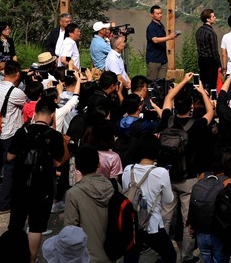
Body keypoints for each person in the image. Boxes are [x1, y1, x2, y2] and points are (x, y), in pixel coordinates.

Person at [160, 74, 214, 263]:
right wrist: (202, 92)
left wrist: (183, 81)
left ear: (176, 106)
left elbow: (167, 98)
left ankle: (164, 253)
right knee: (187, 219)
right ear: (191, 106)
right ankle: (187, 255)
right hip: (189, 177)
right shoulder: (197, 125)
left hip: (167, 175)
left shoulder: (167, 119)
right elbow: (210, 112)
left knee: (165, 216)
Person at [7, 97, 65, 262]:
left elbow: (10, 156)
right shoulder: (54, 135)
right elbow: (58, 161)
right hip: (43, 184)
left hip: (20, 182)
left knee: (16, 223)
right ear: (52, 115)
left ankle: (14, 256)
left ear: (35, 113)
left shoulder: (22, 131)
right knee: (36, 226)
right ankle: (32, 259)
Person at [122, 133, 176, 263]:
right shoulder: (161, 172)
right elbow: (169, 200)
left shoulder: (128, 169)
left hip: (132, 222)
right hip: (152, 224)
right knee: (170, 255)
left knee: (131, 256)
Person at [0, 60, 27, 213]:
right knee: (9, 168)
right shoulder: (17, 93)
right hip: (10, 134)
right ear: (17, 75)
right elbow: (27, 104)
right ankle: (4, 204)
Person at [64, 145, 115, 262]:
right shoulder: (114, 187)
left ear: (77, 167)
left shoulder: (73, 193)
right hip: (112, 253)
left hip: (86, 256)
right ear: (98, 164)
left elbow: (70, 230)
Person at [145, 5, 180, 81]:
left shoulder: (161, 25)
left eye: (160, 13)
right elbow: (155, 40)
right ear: (152, 14)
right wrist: (170, 37)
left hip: (163, 59)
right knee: (152, 82)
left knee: (162, 82)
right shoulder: (151, 27)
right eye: (157, 13)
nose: (160, 15)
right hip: (154, 59)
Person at [196, 8, 222, 86]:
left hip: (201, 59)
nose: (215, 18)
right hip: (210, 61)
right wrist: (219, 64)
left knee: (203, 82)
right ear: (208, 19)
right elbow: (214, 51)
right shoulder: (211, 32)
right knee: (212, 84)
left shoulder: (199, 30)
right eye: (213, 16)